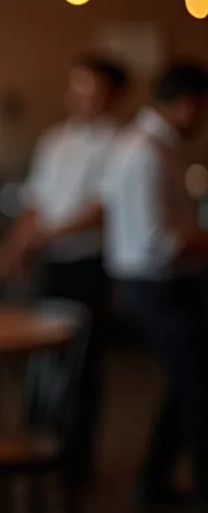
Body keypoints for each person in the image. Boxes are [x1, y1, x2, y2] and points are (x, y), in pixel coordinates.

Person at [1, 54, 130, 486]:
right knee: (42, 361)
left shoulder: (120, 144)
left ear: (112, 95)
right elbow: (36, 199)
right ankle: (37, 451)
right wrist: (21, 245)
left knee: (83, 363)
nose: (80, 98)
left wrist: (47, 235)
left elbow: (102, 209)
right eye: (76, 88)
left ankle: (77, 464)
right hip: (51, 262)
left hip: (88, 264)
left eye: (90, 90)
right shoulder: (56, 139)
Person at [101, 61, 208, 512]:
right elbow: (157, 242)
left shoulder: (150, 144)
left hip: (158, 285)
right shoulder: (145, 150)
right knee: (200, 388)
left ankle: (153, 482)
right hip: (155, 288)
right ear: (186, 105)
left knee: (184, 386)